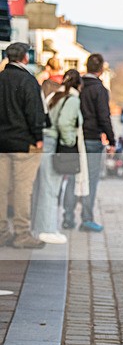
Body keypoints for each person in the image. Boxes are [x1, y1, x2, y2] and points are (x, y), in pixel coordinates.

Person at [0, 42, 48, 248]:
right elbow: (34, 112)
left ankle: (2, 232)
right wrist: (38, 136)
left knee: (1, 189)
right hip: (24, 142)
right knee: (22, 189)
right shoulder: (28, 80)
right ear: (25, 57)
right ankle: (22, 233)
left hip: (2, 143)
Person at [63, 53, 115, 232]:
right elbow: (104, 116)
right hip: (92, 138)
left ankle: (67, 218)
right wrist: (111, 139)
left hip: (75, 139)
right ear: (101, 70)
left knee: (72, 177)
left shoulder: (78, 86)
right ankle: (86, 219)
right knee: (90, 180)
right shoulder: (100, 90)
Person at [33, 69, 85, 245]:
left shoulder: (55, 96)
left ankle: (39, 228)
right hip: (55, 144)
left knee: (43, 187)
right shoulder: (72, 99)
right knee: (51, 189)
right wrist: (69, 142)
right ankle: (47, 230)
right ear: (79, 85)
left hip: (45, 141)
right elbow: (64, 123)